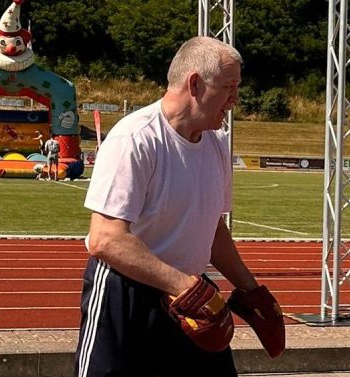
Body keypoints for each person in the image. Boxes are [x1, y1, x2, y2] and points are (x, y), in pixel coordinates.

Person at [75, 37, 285, 377]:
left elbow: (212, 230)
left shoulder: (216, 146)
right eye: (229, 87)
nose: (235, 99)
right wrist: (185, 286)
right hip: (127, 293)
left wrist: (251, 289)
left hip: (192, 297)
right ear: (195, 83)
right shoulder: (136, 138)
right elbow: (106, 240)